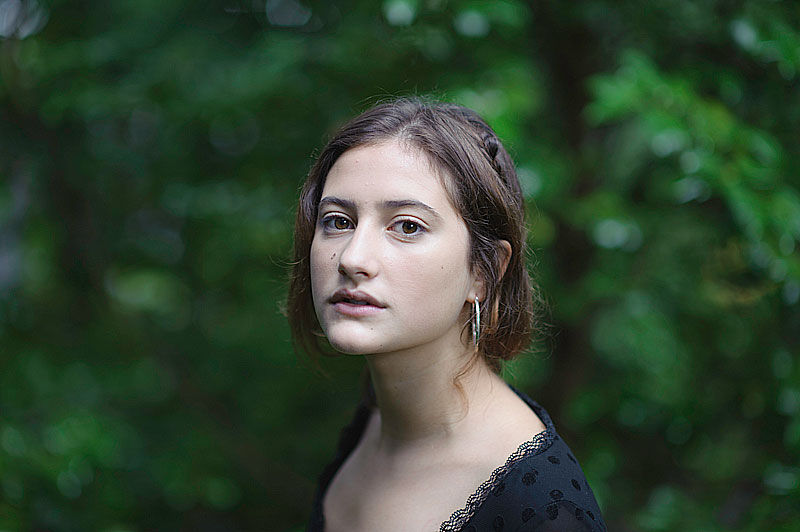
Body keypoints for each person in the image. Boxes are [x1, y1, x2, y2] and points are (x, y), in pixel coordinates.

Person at [287, 98, 606, 532]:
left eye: (407, 226)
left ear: (484, 272)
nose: (352, 258)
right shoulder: (372, 424)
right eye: (338, 221)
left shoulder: (541, 510)